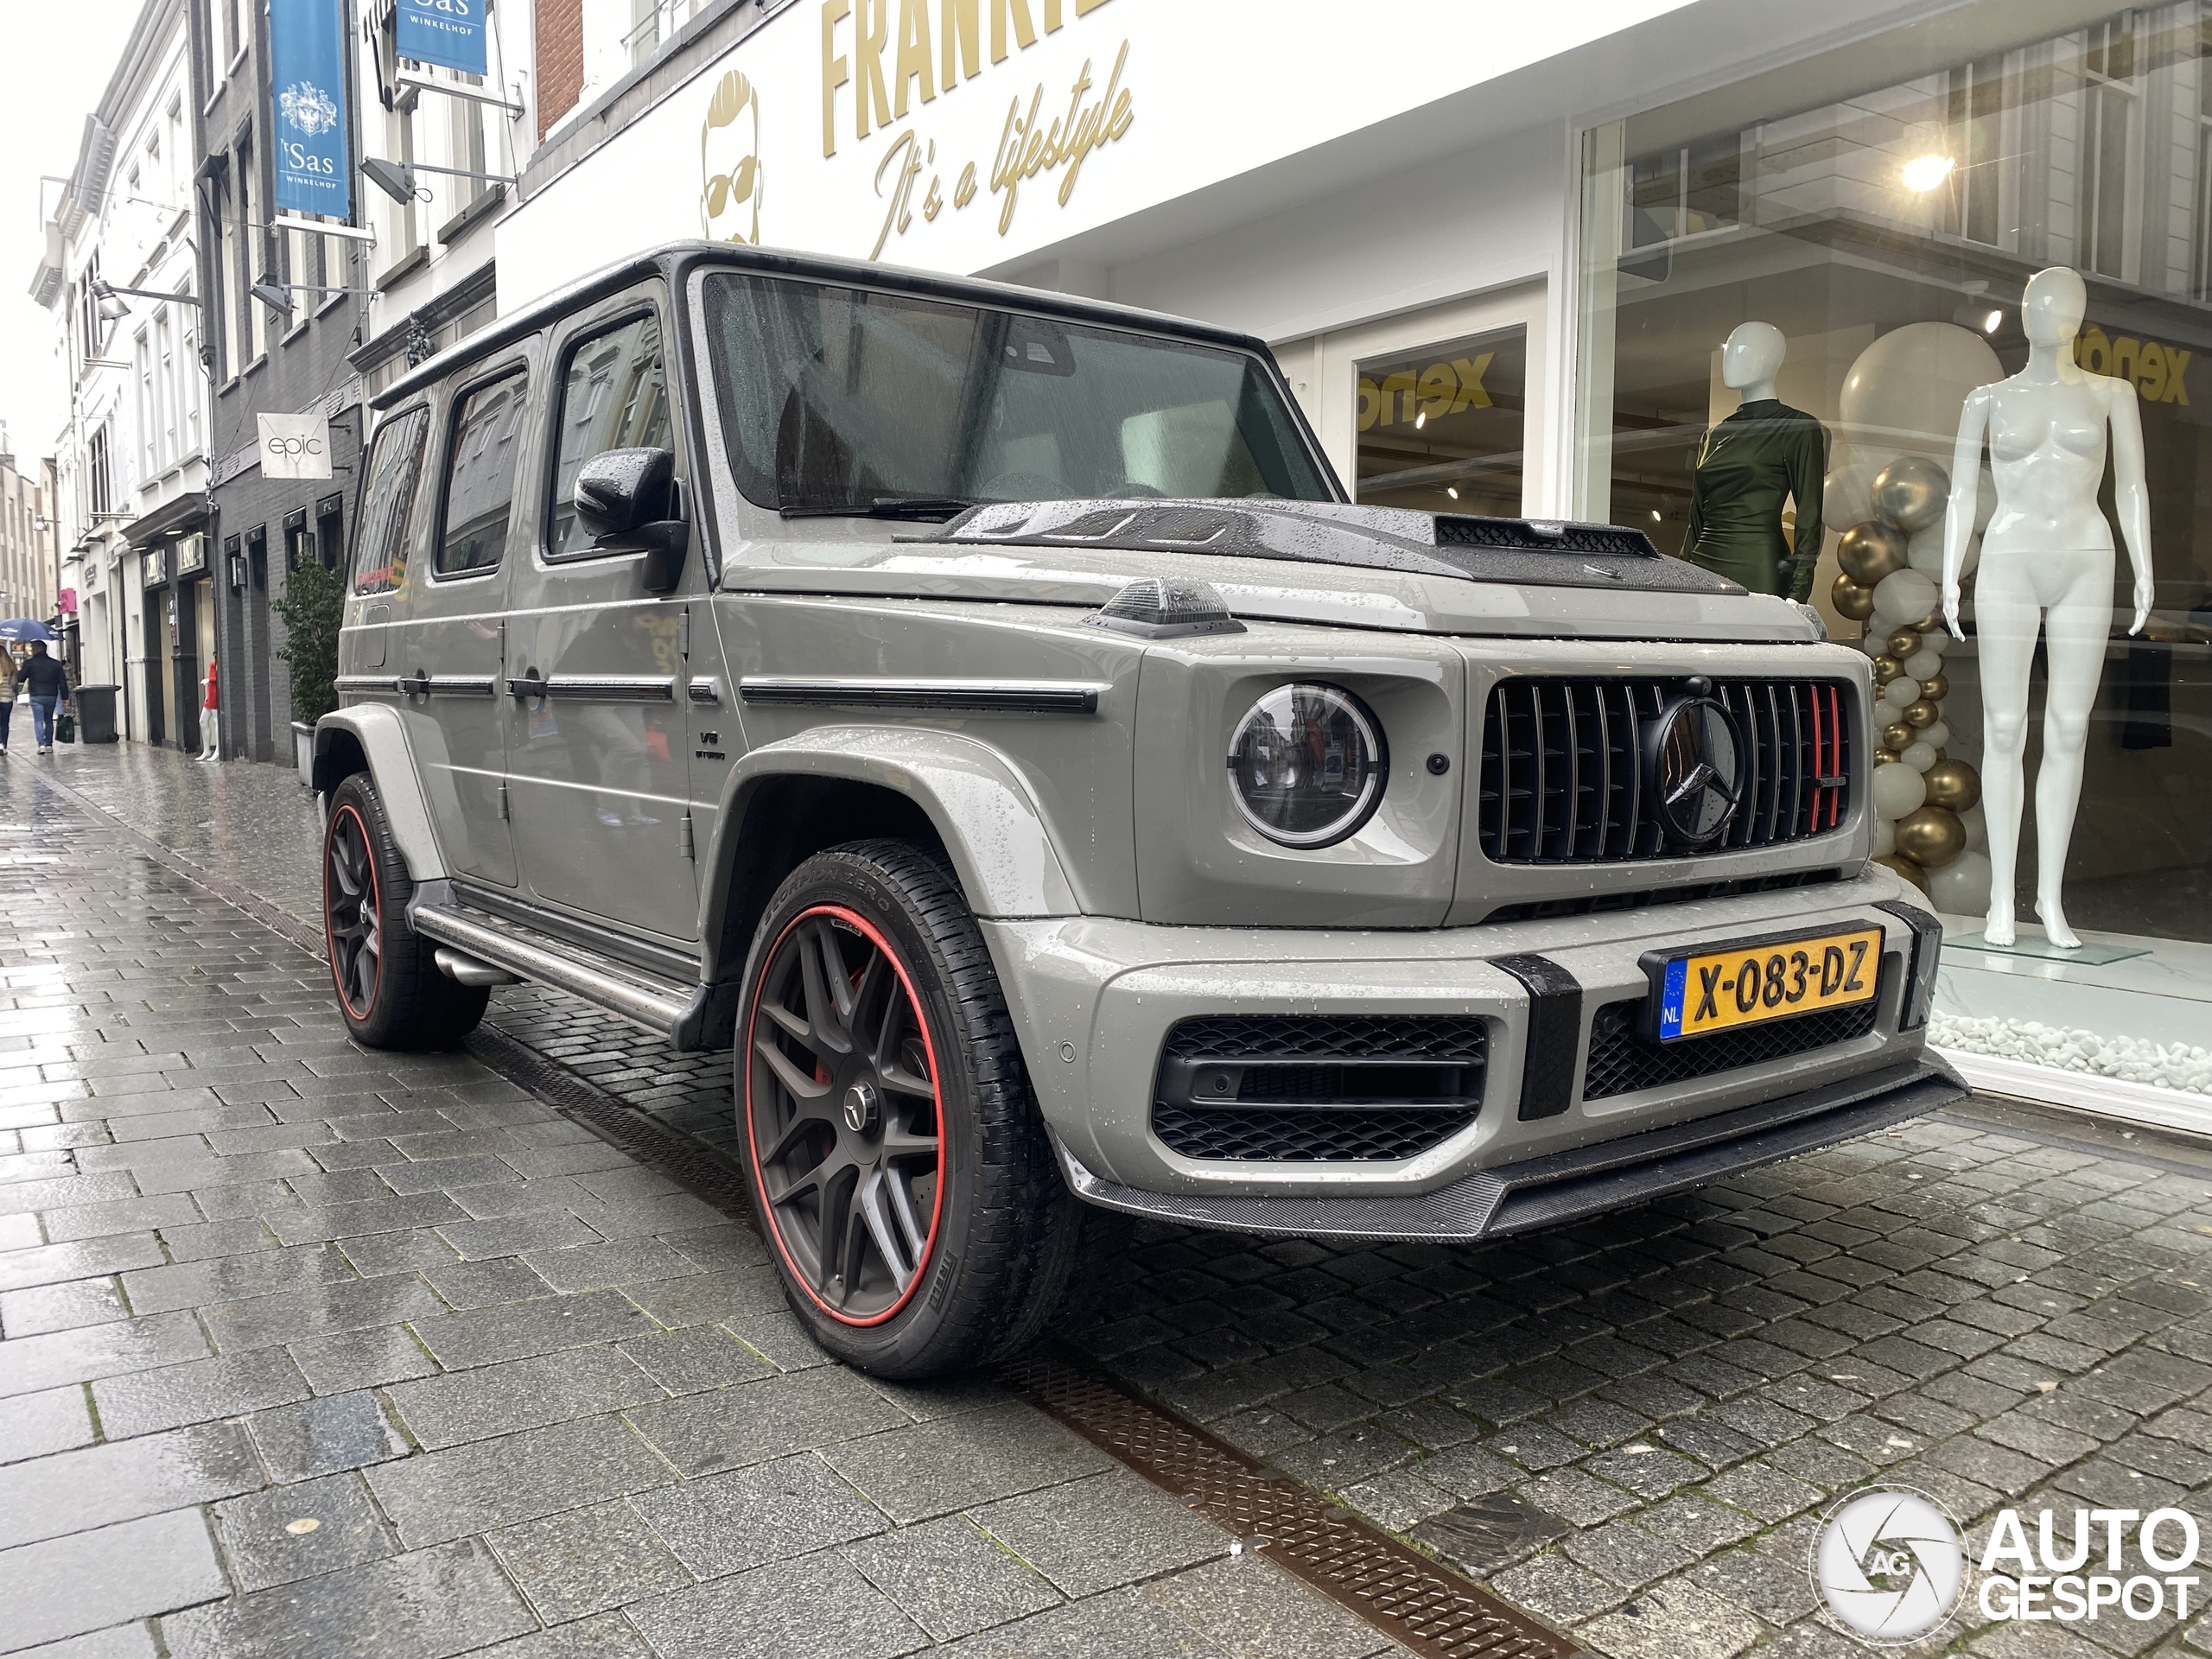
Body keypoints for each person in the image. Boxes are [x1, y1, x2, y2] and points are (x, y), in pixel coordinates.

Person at [16, 641, 67, 755]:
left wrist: (21, 669)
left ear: (35, 649)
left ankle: (42, 745)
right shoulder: (55, 664)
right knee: (48, 720)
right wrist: (65, 697)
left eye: (32, 648)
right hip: (51, 695)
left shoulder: (29, 663)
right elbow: (62, 682)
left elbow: (20, 679)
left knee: (38, 720)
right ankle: (49, 744)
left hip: (36, 695)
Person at [199, 657, 219, 761]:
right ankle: (207, 750)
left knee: (216, 721)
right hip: (210, 692)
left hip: (214, 692)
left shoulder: (220, 661)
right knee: (202, 721)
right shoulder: (214, 662)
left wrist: (210, 680)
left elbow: (220, 677)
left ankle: (218, 750)